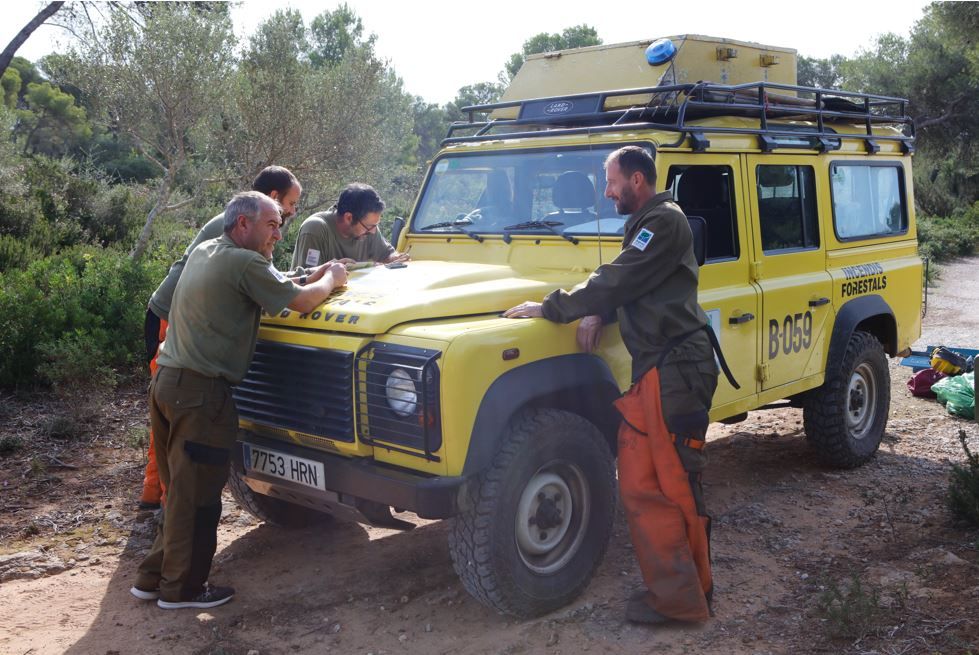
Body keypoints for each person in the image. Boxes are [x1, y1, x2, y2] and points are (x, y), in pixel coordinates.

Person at [504, 145, 721, 625]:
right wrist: (602, 309)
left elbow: (620, 276)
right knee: (642, 485)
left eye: (611, 181)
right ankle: (672, 595)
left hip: (677, 368)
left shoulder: (663, 221)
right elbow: (634, 284)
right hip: (657, 370)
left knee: (676, 485)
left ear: (637, 180)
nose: (606, 192)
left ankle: (692, 601)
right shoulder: (649, 223)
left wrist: (552, 306)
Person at [131, 192, 348, 609]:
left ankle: (152, 577)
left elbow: (273, 285)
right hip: (202, 397)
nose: (279, 235)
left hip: (167, 384)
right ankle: (182, 590)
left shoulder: (208, 251)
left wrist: (308, 277)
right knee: (198, 498)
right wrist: (332, 279)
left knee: (178, 491)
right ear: (243, 224)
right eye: (272, 224)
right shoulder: (245, 262)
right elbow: (301, 303)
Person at [139, 166, 303, 510]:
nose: (291, 214)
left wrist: (299, 277)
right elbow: (259, 277)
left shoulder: (235, 225)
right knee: (180, 412)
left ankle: (160, 499)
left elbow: (264, 276)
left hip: (181, 314)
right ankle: (166, 500)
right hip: (175, 316)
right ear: (271, 198)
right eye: (290, 204)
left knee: (172, 406)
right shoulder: (238, 231)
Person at [290, 182, 408, 269]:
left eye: (375, 226)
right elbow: (306, 278)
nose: (373, 232)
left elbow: (387, 255)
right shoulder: (315, 229)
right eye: (369, 226)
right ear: (349, 218)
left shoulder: (369, 229)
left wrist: (395, 258)